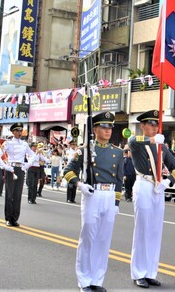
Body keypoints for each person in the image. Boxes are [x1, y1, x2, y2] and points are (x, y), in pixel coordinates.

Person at [63, 112, 124, 291]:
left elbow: (119, 180)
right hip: (92, 194)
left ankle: (97, 280)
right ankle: (84, 281)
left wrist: (116, 204)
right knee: (88, 238)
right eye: (104, 127)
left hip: (109, 194)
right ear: (95, 129)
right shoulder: (84, 150)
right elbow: (68, 170)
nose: (108, 131)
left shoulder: (118, 152)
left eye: (110, 127)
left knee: (103, 241)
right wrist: (79, 184)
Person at [128, 110, 175, 288]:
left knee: (155, 231)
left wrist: (168, 181)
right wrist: (152, 140)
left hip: (158, 188)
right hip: (143, 185)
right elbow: (132, 141)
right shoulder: (137, 142)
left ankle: (151, 272)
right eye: (149, 124)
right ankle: (138, 273)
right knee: (142, 230)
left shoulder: (162, 147)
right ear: (142, 126)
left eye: (155, 124)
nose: (153, 127)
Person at [0, 122, 36, 227]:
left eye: (20, 130)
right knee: (10, 195)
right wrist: (5, 167)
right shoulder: (8, 143)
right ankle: (8, 218)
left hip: (20, 169)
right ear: (13, 132)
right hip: (11, 169)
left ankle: (15, 218)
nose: (19, 132)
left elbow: (33, 155)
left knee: (18, 195)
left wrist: (27, 165)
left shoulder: (24, 144)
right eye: (17, 131)